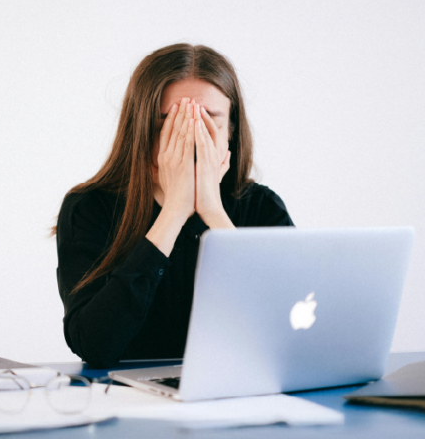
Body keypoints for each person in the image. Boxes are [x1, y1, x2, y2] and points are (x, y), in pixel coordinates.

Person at [54, 44, 293, 368]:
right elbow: (95, 345)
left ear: (231, 132)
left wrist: (212, 211)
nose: (191, 138)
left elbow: (287, 333)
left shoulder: (261, 207)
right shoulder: (89, 209)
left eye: (209, 123)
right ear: (141, 130)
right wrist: (175, 211)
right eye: (170, 124)